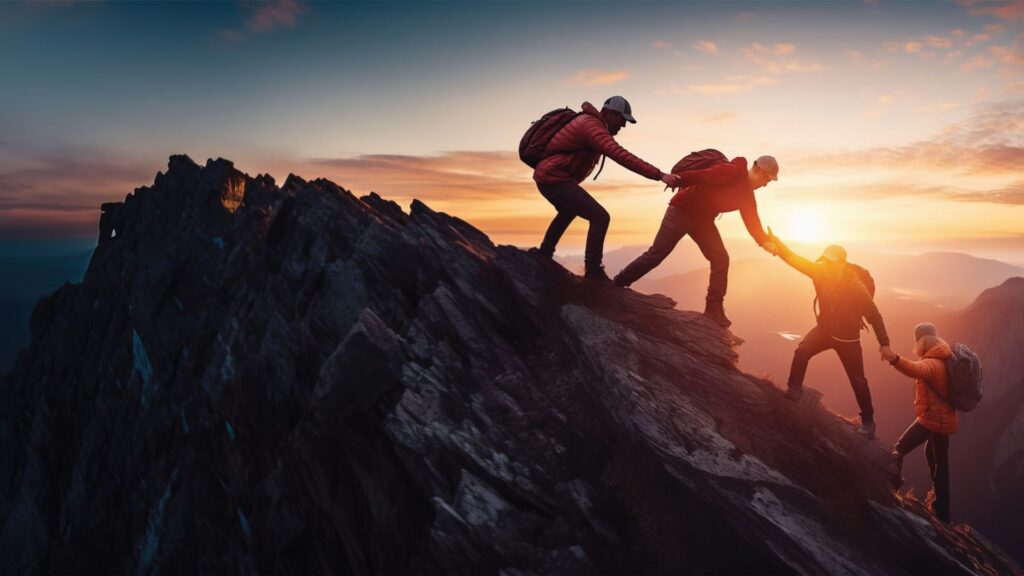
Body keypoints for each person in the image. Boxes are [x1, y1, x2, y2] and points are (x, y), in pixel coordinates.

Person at [612, 153, 779, 327]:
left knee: (720, 258)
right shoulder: (731, 171)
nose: (765, 185)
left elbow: (752, 221)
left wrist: (765, 241)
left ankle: (714, 308)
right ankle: (619, 282)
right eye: (766, 180)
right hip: (681, 212)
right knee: (656, 254)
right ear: (758, 171)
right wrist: (677, 180)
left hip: (703, 221)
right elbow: (703, 176)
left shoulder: (747, 196)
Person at [532, 96, 680, 281]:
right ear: (609, 113)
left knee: (568, 211)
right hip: (553, 178)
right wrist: (659, 175)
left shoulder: (592, 124)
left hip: (552, 176)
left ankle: (544, 253)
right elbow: (620, 155)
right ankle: (593, 271)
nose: (623, 126)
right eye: (622, 120)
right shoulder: (591, 126)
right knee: (600, 216)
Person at [771, 238, 894, 439]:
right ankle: (794, 389)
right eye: (825, 261)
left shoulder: (854, 285)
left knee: (858, 381)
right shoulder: (819, 272)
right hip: (824, 330)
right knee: (802, 351)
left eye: (832, 262)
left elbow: (873, 314)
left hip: (848, 340)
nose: (827, 265)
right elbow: (794, 260)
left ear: (842, 263)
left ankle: (869, 422)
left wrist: (885, 344)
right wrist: (776, 243)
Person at [882, 322, 956, 523]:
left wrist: (894, 358)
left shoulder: (932, 363)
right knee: (938, 461)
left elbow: (914, 369)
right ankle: (942, 512)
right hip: (942, 419)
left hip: (932, 420)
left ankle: (889, 488)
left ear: (921, 341)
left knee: (899, 448)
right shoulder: (945, 356)